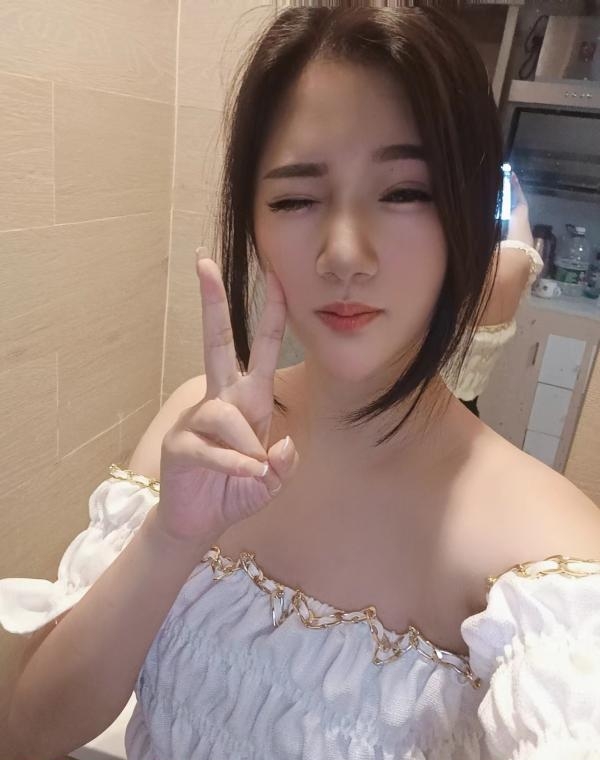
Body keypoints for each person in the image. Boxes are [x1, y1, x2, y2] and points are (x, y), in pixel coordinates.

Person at [2, 6, 600, 760]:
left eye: (404, 192)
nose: (344, 253)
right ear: (252, 224)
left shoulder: (548, 557)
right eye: (295, 199)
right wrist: (172, 538)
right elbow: (26, 731)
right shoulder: (199, 429)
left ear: (466, 215)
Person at [444, 171, 544, 417]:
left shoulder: (408, 280)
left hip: (395, 428)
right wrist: (520, 208)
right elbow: (522, 246)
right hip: (463, 420)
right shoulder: (508, 271)